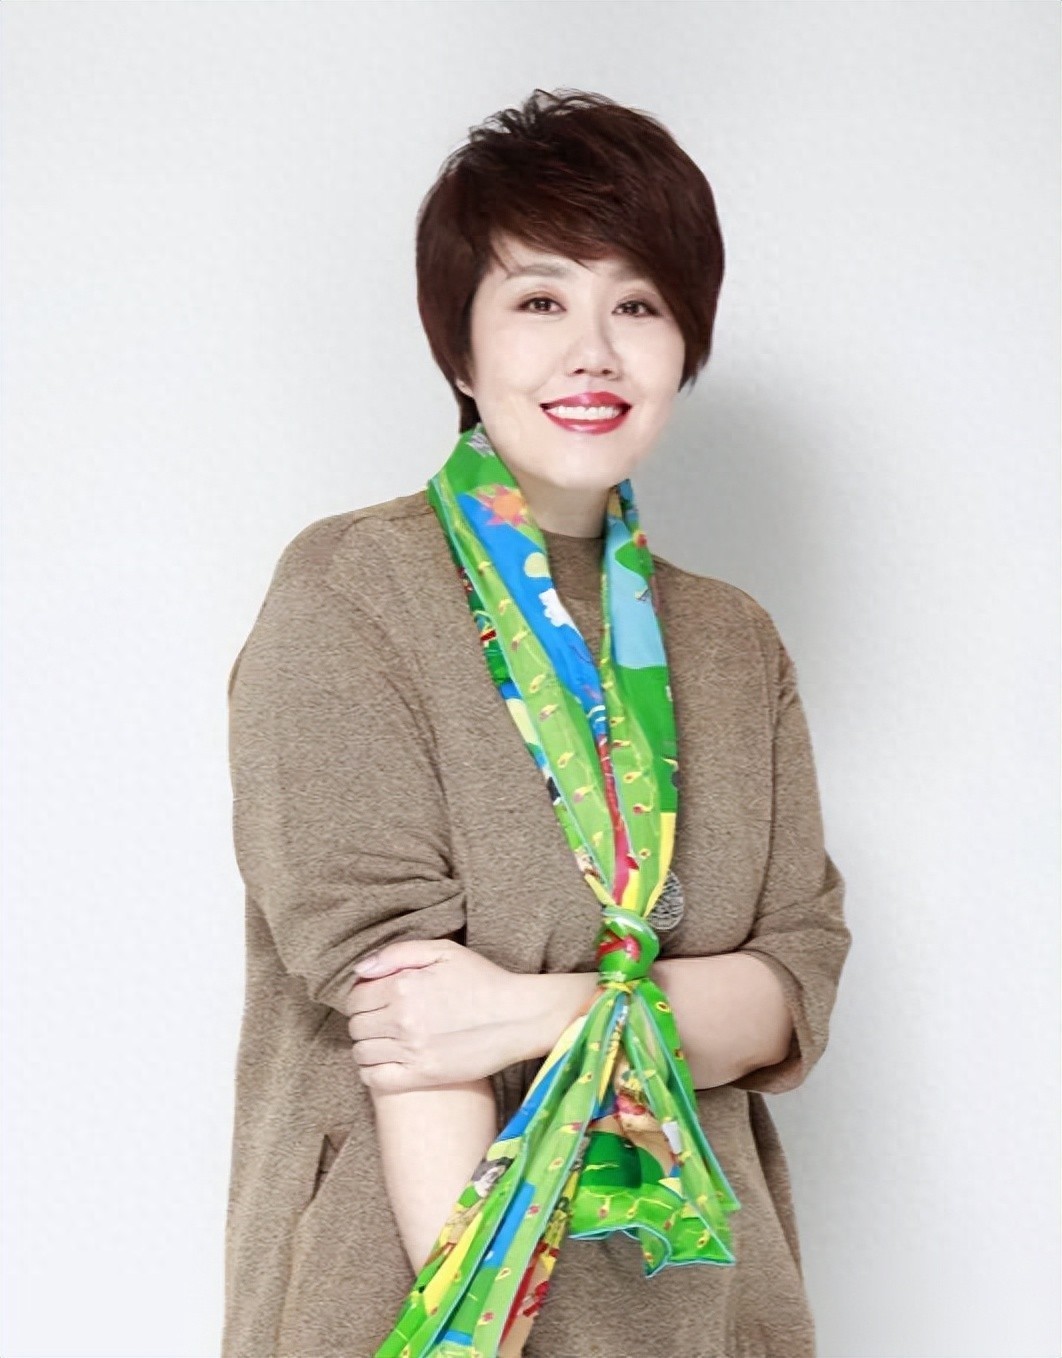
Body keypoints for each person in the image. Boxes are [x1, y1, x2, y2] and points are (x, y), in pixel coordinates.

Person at [221, 87, 852, 1358]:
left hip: (703, 1310)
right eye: (540, 301)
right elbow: (410, 1025)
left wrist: (534, 1009)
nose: (594, 352)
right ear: (460, 349)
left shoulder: (733, 640)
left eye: (639, 305)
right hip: (426, 1298)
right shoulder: (353, 591)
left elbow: (789, 989)